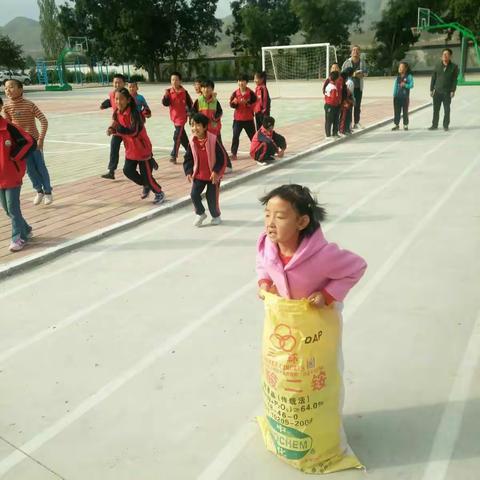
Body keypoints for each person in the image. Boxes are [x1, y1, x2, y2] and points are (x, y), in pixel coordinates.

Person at [256, 184, 367, 305]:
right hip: (283, 316)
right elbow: (263, 262)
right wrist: (264, 281)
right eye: (267, 215)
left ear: (302, 222)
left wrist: (326, 295)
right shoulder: (267, 245)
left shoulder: (323, 255)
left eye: (280, 217)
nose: (270, 223)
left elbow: (357, 267)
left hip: (316, 319)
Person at [107, 88, 165, 204]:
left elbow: (134, 132)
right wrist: (111, 128)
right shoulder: (117, 112)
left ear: (128, 100)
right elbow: (115, 122)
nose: (118, 102)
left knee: (147, 176)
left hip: (142, 148)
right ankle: (146, 184)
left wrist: (117, 130)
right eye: (116, 99)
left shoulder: (134, 113)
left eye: (121, 99)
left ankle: (159, 192)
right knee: (128, 171)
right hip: (131, 149)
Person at [3, 79, 52, 206]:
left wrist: (40, 139)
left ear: (20, 89)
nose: (8, 90)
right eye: (6, 88)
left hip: (34, 143)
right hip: (21, 146)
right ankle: (38, 190)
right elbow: (7, 127)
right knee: (29, 170)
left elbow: (44, 121)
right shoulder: (6, 107)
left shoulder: (30, 105)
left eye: (11, 87)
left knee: (40, 167)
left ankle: (48, 192)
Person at [0, 95, 36, 252]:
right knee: (7, 209)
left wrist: (15, 157)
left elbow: (29, 142)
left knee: (13, 208)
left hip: (12, 175)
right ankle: (25, 228)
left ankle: (19, 238)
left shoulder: (8, 127)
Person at [183, 113, 228, 227]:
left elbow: (222, 157)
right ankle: (200, 213)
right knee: (194, 194)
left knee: (211, 197)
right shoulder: (192, 141)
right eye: (192, 125)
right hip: (199, 175)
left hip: (213, 176)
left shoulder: (213, 140)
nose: (194, 128)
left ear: (205, 127)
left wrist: (216, 171)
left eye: (198, 125)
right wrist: (188, 171)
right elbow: (188, 158)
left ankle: (216, 216)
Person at [162, 71, 193, 164]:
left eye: (176, 80)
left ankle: (173, 155)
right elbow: (165, 103)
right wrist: (166, 96)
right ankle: (191, 151)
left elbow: (190, 104)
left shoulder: (184, 92)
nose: (174, 82)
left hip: (182, 118)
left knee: (177, 136)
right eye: (172, 80)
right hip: (174, 118)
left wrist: (191, 115)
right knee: (182, 137)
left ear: (180, 81)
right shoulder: (169, 92)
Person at [100, 73, 126, 179]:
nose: (117, 84)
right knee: (114, 147)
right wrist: (105, 104)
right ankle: (111, 171)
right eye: (115, 82)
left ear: (124, 84)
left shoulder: (127, 95)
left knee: (135, 148)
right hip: (117, 126)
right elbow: (112, 103)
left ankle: (150, 161)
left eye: (119, 82)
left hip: (128, 127)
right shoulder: (111, 94)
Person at [429, 48, 459, 132]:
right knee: (436, 110)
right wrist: (431, 89)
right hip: (437, 91)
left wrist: (453, 90)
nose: (444, 56)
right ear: (441, 56)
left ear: (450, 56)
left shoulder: (454, 67)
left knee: (447, 109)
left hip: (447, 92)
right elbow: (433, 78)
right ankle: (434, 125)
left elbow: (454, 80)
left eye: (446, 54)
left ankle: (446, 125)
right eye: (443, 54)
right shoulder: (437, 65)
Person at [229, 74, 257, 161]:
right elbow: (231, 105)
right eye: (239, 81)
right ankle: (234, 154)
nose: (241, 83)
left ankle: (257, 151)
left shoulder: (251, 93)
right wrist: (234, 103)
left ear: (247, 82)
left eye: (243, 81)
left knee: (253, 137)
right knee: (235, 136)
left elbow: (254, 103)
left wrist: (247, 103)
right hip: (238, 120)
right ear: (237, 82)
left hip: (248, 119)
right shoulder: (235, 93)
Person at [341, 45, 368, 129]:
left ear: (360, 52)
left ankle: (356, 123)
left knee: (357, 106)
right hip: (348, 88)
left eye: (357, 50)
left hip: (358, 87)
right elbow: (343, 74)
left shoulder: (362, 62)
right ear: (351, 52)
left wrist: (362, 75)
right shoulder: (347, 62)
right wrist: (353, 74)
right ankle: (348, 124)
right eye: (354, 50)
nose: (355, 52)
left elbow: (367, 73)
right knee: (348, 105)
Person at [392, 61, 414, 131]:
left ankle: (405, 125)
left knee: (405, 112)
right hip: (397, 97)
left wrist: (405, 85)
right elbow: (395, 86)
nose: (400, 68)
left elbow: (411, 85)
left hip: (405, 97)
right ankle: (396, 125)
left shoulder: (409, 76)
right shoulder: (398, 77)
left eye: (401, 67)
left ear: (406, 68)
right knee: (397, 112)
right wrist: (394, 95)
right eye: (399, 67)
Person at [324, 70, 342, 138]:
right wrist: (337, 104)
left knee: (335, 120)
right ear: (336, 79)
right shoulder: (333, 88)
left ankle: (334, 133)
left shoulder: (329, 85)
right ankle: (328, 135)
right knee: (329, 121)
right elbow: (333, 99)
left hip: (330, 105)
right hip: (331, 106)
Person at [339, 68, 355, 135]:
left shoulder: (346, 82)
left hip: (347, 102)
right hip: (346, 102)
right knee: (345, 117)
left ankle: (347, 129)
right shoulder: (349, 82)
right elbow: (349, 93)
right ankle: (344, 130)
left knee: (346, 116)